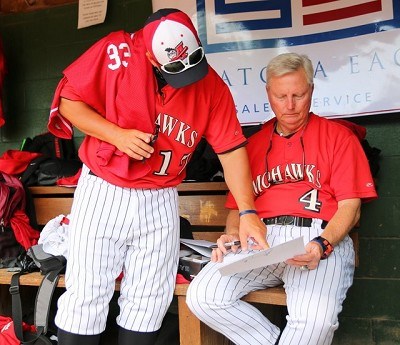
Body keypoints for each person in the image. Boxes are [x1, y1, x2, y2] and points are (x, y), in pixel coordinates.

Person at [46, 8, 267, 345]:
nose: (188, 75)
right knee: (86, 294)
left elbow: (231, 148)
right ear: (149, 54)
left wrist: (248, 211)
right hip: (106, 187)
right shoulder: (117, 50)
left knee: (150, 299)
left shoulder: (211, 85)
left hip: (161, 194)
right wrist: (116, 134)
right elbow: (68, 103)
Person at [186, 52, 378, 345]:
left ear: (311, 91)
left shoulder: (338, 137)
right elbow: (239, 207)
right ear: (268, 94)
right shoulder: (253, 144)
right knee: (203, 296)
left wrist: (321, 245)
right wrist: (231, 236)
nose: (289, 106)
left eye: (298, 95)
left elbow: (351, 208)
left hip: (317, 237)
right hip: (262, 239)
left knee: (315, 322)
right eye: (281, 96)